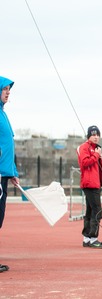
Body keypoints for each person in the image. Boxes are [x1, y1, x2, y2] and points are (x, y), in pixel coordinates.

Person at [76, 125, 102, 249]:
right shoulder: (83, 147)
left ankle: (87, 239)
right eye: (93, 134)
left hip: (95, 183)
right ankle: (93, 238)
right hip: (89, 183)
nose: (96, 137)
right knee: (97, 211)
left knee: (90, 211)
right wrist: (95, 156)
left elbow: (98, 167)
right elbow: (84, 163)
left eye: (97, 135)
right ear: (88, 136)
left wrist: (99, 158)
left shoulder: (96, 149)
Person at [0, 76, 20, 273]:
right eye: (4, 89)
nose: (8, 92)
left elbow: (8, 146)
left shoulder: (3, 114)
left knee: (0, 216)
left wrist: (12, 171)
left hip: (4, 175)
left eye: (8, 89)